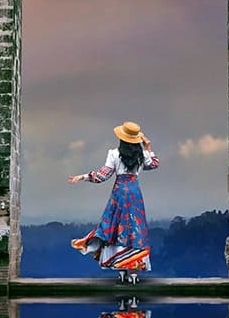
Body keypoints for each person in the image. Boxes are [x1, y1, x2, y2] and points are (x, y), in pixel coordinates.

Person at [68, 120, 160, 284]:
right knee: (134, 229)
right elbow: (154, 164)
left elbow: (102, 176)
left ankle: (121, 269)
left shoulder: (114, 154)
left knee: (117, 227)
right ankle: (133, 271)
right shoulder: (141, 155)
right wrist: (148, 148)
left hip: (119, 194)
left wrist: (82, 177)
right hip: (134, 194)